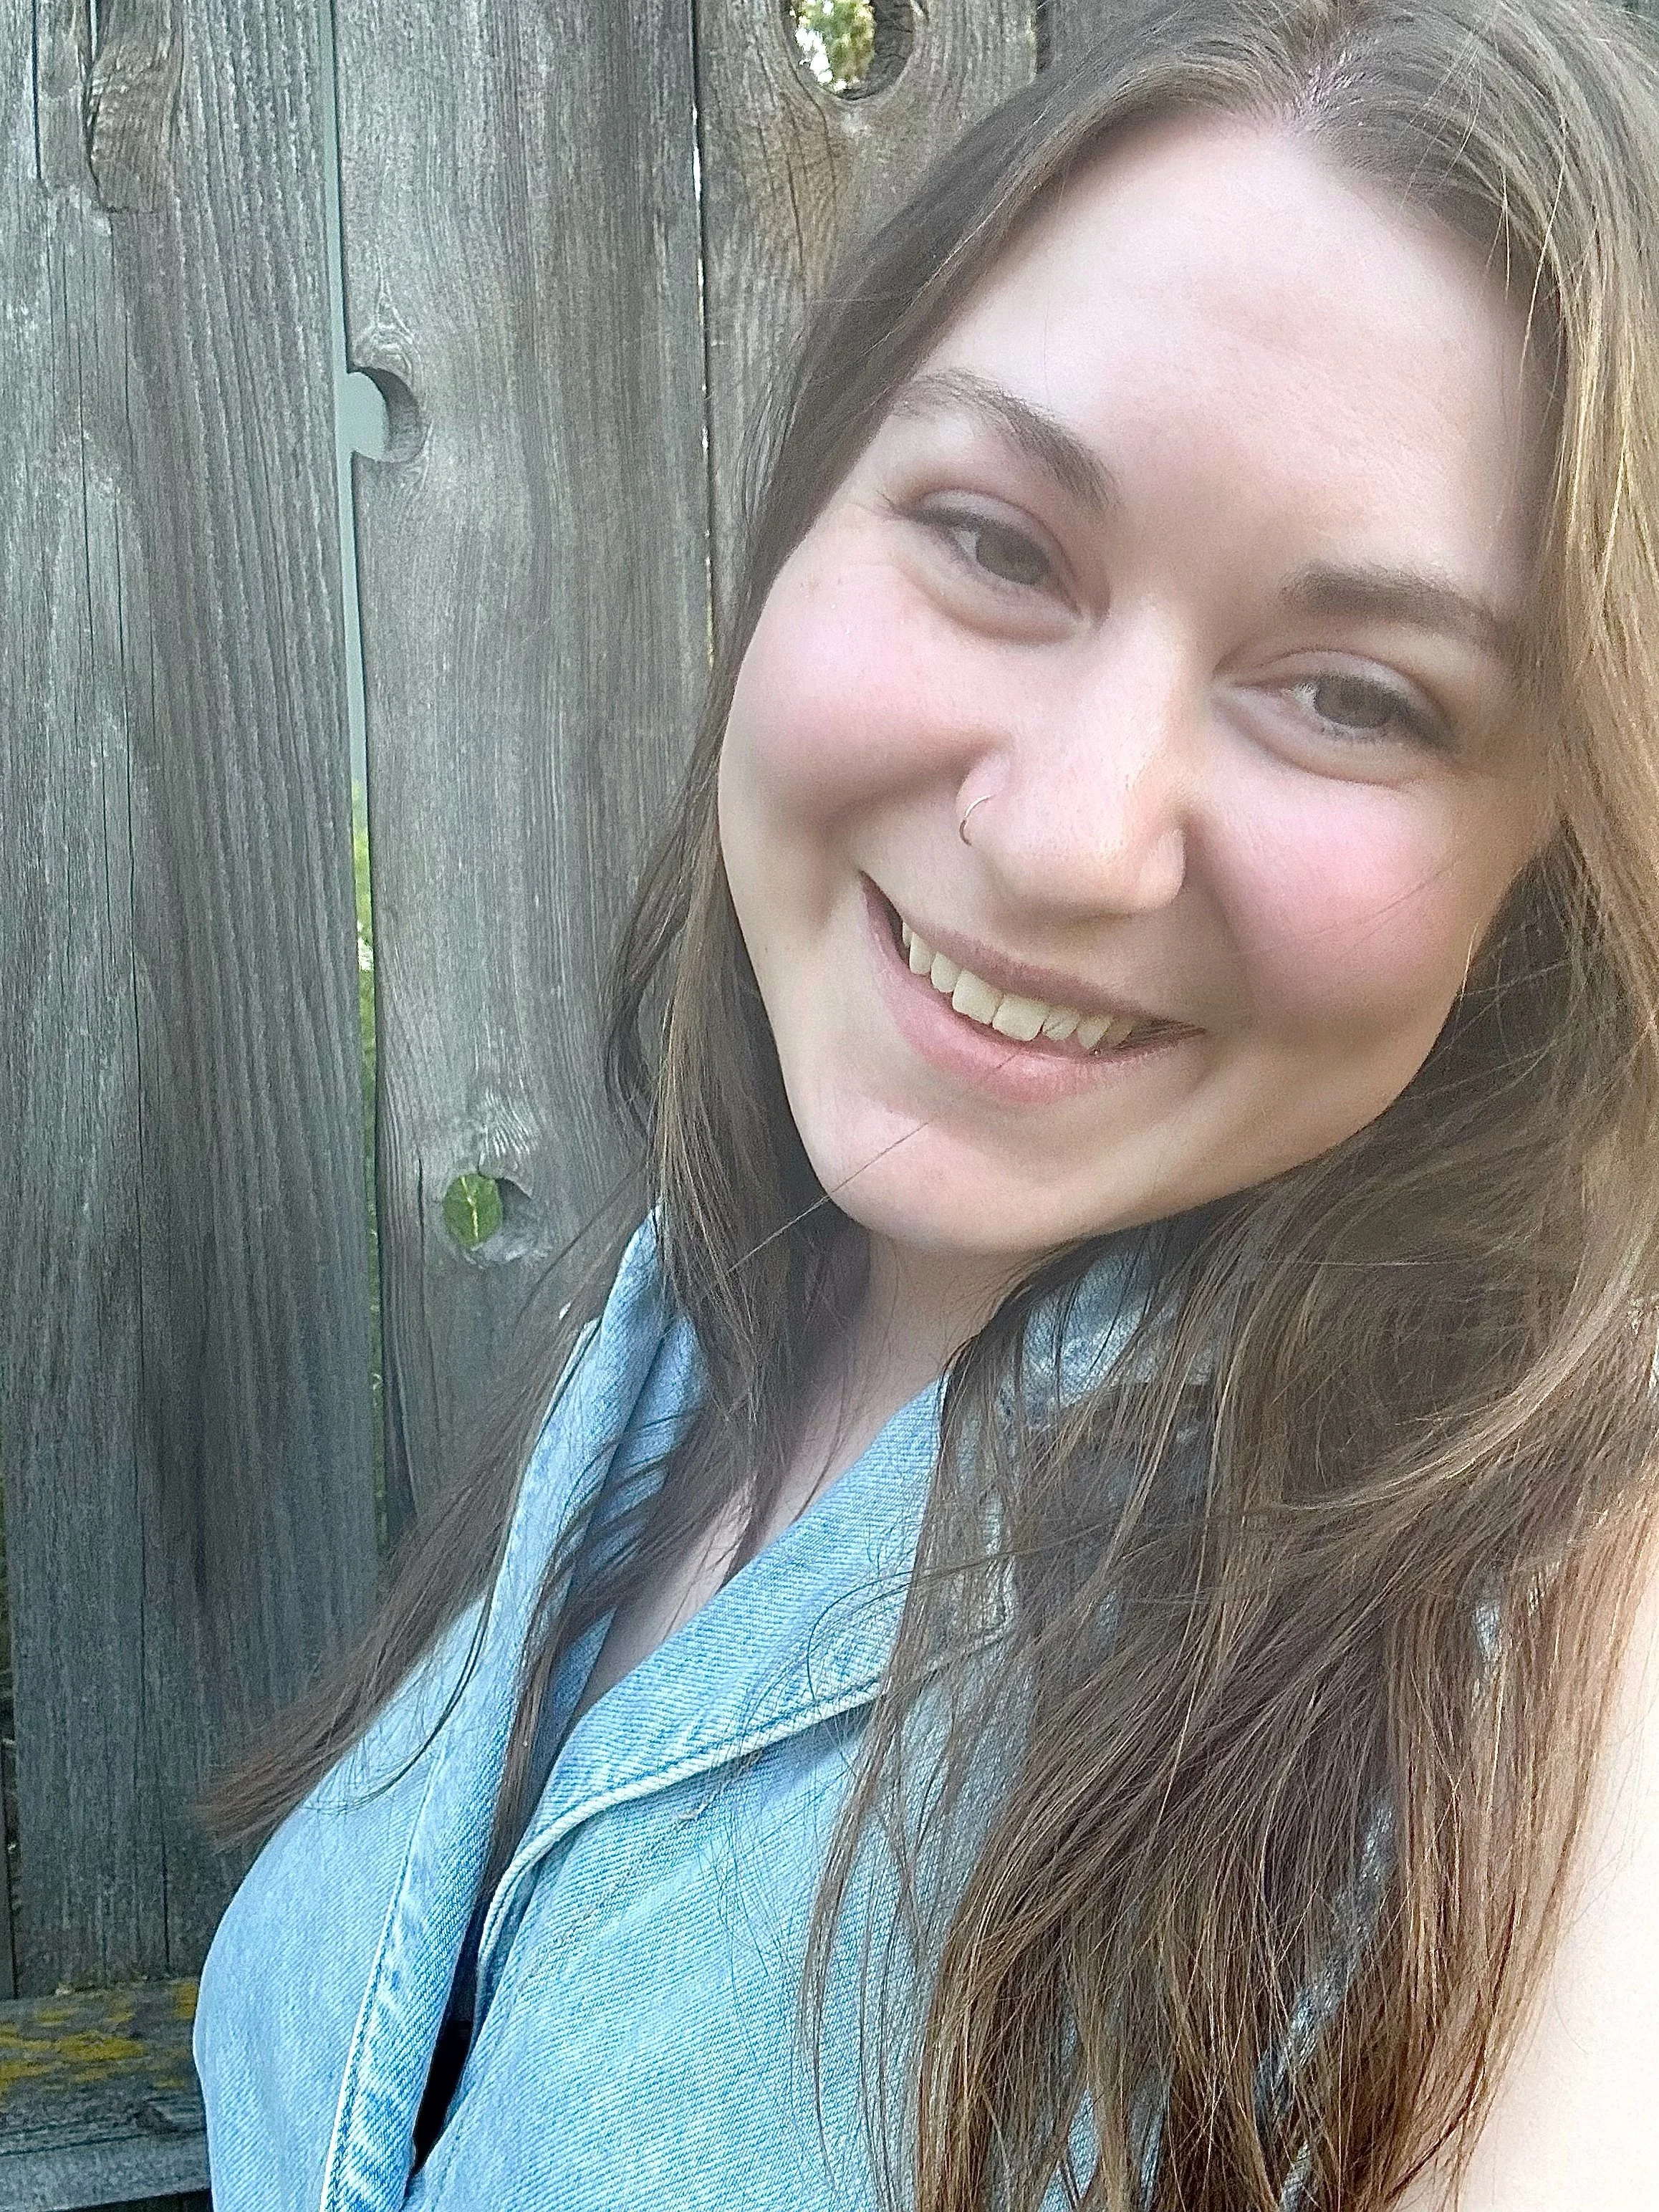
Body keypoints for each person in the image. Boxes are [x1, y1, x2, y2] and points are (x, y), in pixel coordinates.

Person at [193, 2, 1659, 2206]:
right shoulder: (680, 1331)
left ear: (1558, 840)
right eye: (993, 541)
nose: (1071, 838)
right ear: (803, 518)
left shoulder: (1564, 1674)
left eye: (1353, 694)